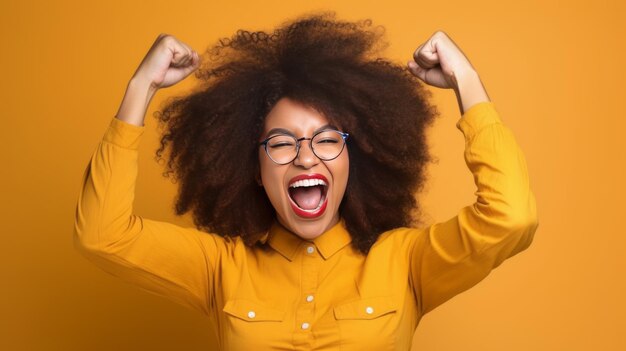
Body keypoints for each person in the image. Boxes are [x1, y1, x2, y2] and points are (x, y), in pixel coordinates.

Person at [73, 12, 538, 351]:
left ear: (352, 160)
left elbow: (511, 218)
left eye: (326, 140)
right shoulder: (221, 268)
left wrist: (467, 80)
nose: (305, 158)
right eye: (281, 143)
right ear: (253, 170)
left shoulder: (405, 263)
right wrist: (140, 89)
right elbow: (102, 236)